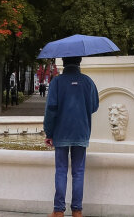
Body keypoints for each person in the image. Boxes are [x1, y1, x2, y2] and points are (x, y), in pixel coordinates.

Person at [43, 56, 99, 217]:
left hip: (61, 132)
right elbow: (94, 106)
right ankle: (77, 211)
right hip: (81, 131)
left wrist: (49, 132)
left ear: (64, 62)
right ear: (80, 61)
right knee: (78, 171)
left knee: (61, 170)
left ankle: (59, 211)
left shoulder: (56, 82)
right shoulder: (88, 81)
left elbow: (51, 109)